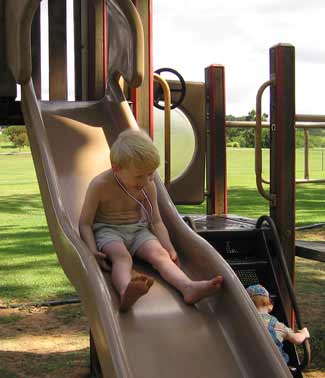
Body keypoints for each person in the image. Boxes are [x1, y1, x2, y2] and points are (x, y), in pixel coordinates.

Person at [79, 129, 223, 311]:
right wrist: (92, 250)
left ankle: (188, 287)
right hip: (108, 230)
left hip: (138, 230)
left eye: (151, 173)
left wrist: (168, 247)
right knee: (122, 258)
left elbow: (155, 221)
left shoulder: (148, 185)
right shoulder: (100, 185)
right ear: (116, 168)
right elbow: (85, 223)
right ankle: (126, 291)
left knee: (160, 256)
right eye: (139, 176)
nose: (146, 179)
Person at [246, 284, 310, 363]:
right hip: (275, 365)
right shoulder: (275, 325)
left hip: (250, 361)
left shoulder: (244, 320)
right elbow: (297, 339)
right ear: (269, 304)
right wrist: (304, 333)